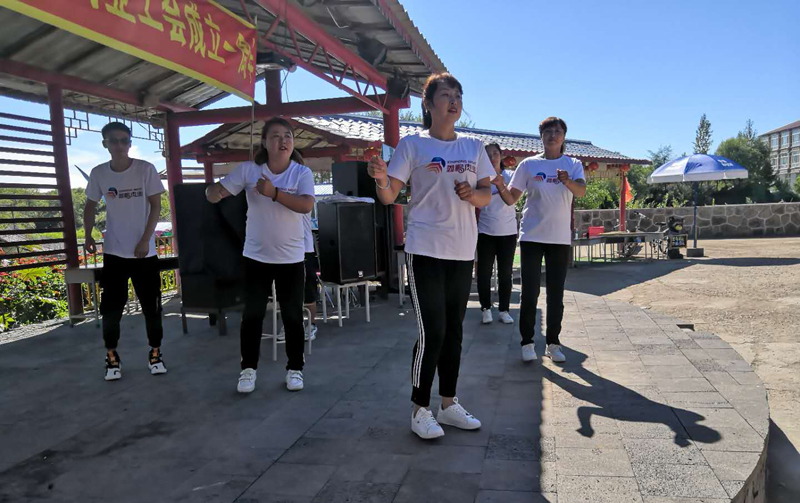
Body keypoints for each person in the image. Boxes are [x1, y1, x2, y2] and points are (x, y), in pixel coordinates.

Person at [367, 73, 494, 440]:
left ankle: (448, 404)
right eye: (445, 95)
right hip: (425, 249)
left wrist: (472, 195)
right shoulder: (413, 145)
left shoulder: (474, 147)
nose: (453, 101)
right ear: (428, 103)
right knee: (433, 330)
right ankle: (419, 408)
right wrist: (380, 177)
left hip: (462, 251)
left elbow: (487, 195)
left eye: (458, 96)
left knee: (454, 331)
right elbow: (389, 195)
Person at [205, 117, 315, 394]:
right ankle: (248, 369)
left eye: (288, 136)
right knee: (252, 315)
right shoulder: (248, 170)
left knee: (292, 316)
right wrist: (213, 192)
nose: (283, 140)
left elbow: (306, 205)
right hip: (256, 257)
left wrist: (274, 192)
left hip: (291, 258)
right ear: (264, 142)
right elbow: (216, 193)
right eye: (276, 136)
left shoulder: (301, 173)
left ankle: (295, 369)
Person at [84, 122, 167, 381]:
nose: (119, 145)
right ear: (105, 144)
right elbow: (89, 205)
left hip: (145, 254)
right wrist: (87, 234)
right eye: (114, 140)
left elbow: (156, 206)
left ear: (130, 143)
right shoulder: (99, 173)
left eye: (124, 140)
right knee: (111, 310)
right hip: (114, 254)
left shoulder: (145, 169)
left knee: (152, 308)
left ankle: (155, 353)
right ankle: (111, 357)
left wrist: (145, 240)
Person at [504, 117, 586, 363]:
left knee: (555, 294)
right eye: (547, 131)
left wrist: (567, 181)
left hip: (559, 239)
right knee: (529, 293)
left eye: (557, 131)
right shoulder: (529, 165)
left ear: (564, 137)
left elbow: (581, 191)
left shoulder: (573, 164)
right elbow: (512, 198)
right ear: (540, 136)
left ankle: (553, 343)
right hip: (532, 236)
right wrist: (497, 183)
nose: (552, 135)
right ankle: (527, 342)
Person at [476, 143, 518, 325]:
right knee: (483, 273)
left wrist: (501, 185)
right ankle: (485, 308)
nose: (492, 157)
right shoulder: (480, 178)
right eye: (488, 154)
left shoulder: (510, 176)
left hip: (508, 232)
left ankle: (504, 310)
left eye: (495, 153)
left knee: (505, 274)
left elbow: (512, 199)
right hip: (485, 231)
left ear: (501, 156)